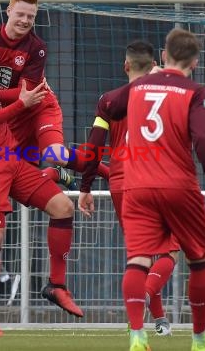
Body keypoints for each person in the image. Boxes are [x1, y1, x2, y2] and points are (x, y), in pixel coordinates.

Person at [82, 28, 205, 351]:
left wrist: (85, 183)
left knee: (137, 259)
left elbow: (107, 106)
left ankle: (137, 335)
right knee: (199, 260)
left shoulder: (136, 89)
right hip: (177, 185)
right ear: (194, 61)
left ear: (163, 55)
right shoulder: (194, 91)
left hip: (135, 187)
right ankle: (200, 339)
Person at [0, 18, 82, 336]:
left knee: (63, 207)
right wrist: (21, 102)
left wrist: (12, 96)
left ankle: (56, 285)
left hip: (11, 159)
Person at [0, 0, 110, 190]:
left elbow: (28, 92)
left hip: (38, 107)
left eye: (31, 16)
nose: (25, 20)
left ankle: (114, 174)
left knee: (54, 154)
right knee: (18, 180)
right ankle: (55, 174)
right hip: (13, 115)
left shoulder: (37, 47)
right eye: (20, 14)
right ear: (8, 11)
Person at [78, 40, 177, 337]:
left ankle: (154, 324)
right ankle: (145, 294)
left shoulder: (109, 100)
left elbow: (93, 147)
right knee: (170, 253)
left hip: (123, 185)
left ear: (125, 66)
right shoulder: (168, 96)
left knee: (141, 254)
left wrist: (86, 187)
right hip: (158, 181)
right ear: (153, 67)